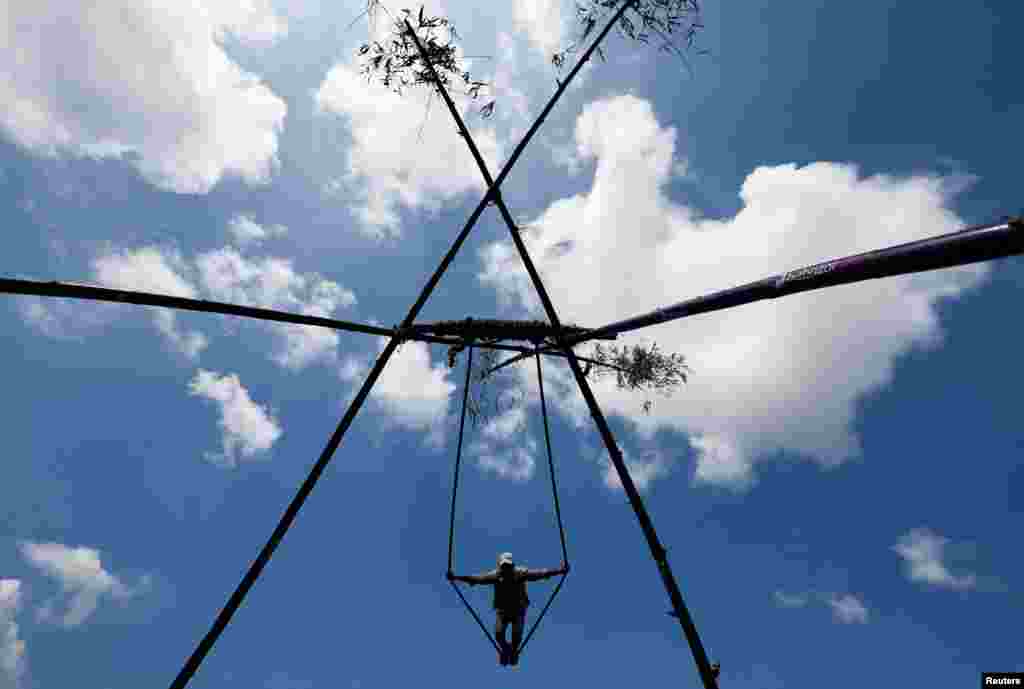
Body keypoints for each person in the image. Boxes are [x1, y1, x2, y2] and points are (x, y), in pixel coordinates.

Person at [447, 552, 568, 666]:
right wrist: (456, 577)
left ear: (512, 566)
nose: (506, 570)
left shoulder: (520, 573)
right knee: (499, 634)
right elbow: (475, 579)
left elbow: (541, 574)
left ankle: (514, 651)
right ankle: (505, 650)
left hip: (518, 610)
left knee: (517, 635)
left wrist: (560, 570)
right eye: (504, 567)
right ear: (500, 567)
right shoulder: (495, 575)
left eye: (508, 566)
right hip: (503, 611)